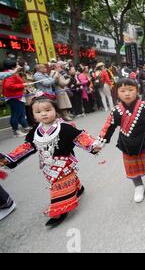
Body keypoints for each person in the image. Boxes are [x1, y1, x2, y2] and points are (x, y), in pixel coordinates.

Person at [0, 93, 102, 227]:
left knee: (59, 186)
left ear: (56, 111)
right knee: (62, 182)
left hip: (63, 163)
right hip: (46, 165)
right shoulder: (35, 131)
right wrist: (9, 158)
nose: (43, 114)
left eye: (47, 110)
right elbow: (27, 147)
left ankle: (60, 210)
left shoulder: (64, 127)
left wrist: (92, 145)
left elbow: (80, 137)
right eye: (38, 112)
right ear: (33, 115)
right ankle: (78, 187)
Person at [2, 58, 30, 137]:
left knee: (20, 113)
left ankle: (25, 128)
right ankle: (16, 131)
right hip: (14, 97)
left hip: (16, 96)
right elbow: (9, 86)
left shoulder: (9, 73)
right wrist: (22, 85)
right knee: (16, 114)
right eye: (17, 64)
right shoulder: (10, 74)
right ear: (12, 66)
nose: (18, 65)